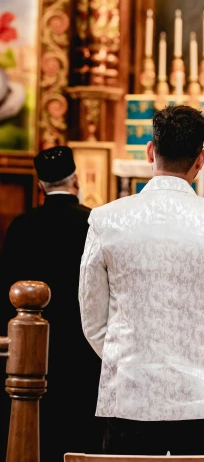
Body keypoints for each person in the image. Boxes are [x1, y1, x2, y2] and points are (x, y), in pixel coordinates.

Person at [79, 104, 204, 456]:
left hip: (129, 391)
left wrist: (126, 357)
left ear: (150, 151)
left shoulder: (106, 220)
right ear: (200, 160)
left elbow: (93, 319)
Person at [0, 146, 103, 462]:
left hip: (31, 349)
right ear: (76, 181)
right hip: (82, 347)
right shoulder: (92, 223)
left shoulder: (21, 226)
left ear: (41, 185)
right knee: (77, 433)